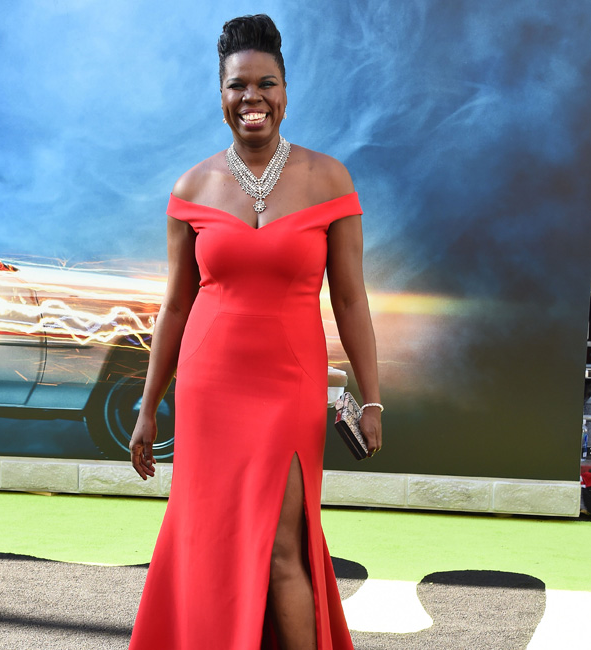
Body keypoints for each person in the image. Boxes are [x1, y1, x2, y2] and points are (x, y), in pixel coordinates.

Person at [128, 14, 382, 650]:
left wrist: (371, 398)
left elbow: (350, 299)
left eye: (266, 84)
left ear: (286, 92)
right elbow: (176, 308)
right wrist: (148, 405)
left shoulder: (330, 179)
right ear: (221, 95)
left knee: (282, 549)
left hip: (290, 389)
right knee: (210, 546)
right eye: (238, 85)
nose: (252, 98)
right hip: (210, 390)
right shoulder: (192, 188)